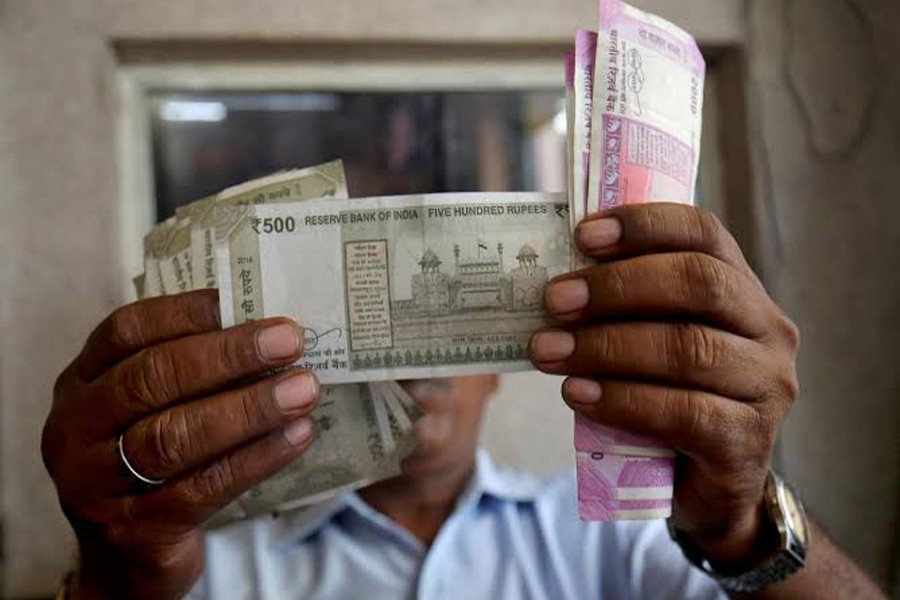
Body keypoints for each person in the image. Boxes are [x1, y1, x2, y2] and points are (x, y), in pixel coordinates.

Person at [42, 204, 885, 599]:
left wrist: (739, 526)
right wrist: (118, 583)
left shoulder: (612, 541)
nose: (416, 367)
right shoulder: (204, 568)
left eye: (454, 327)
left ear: (499, 366)